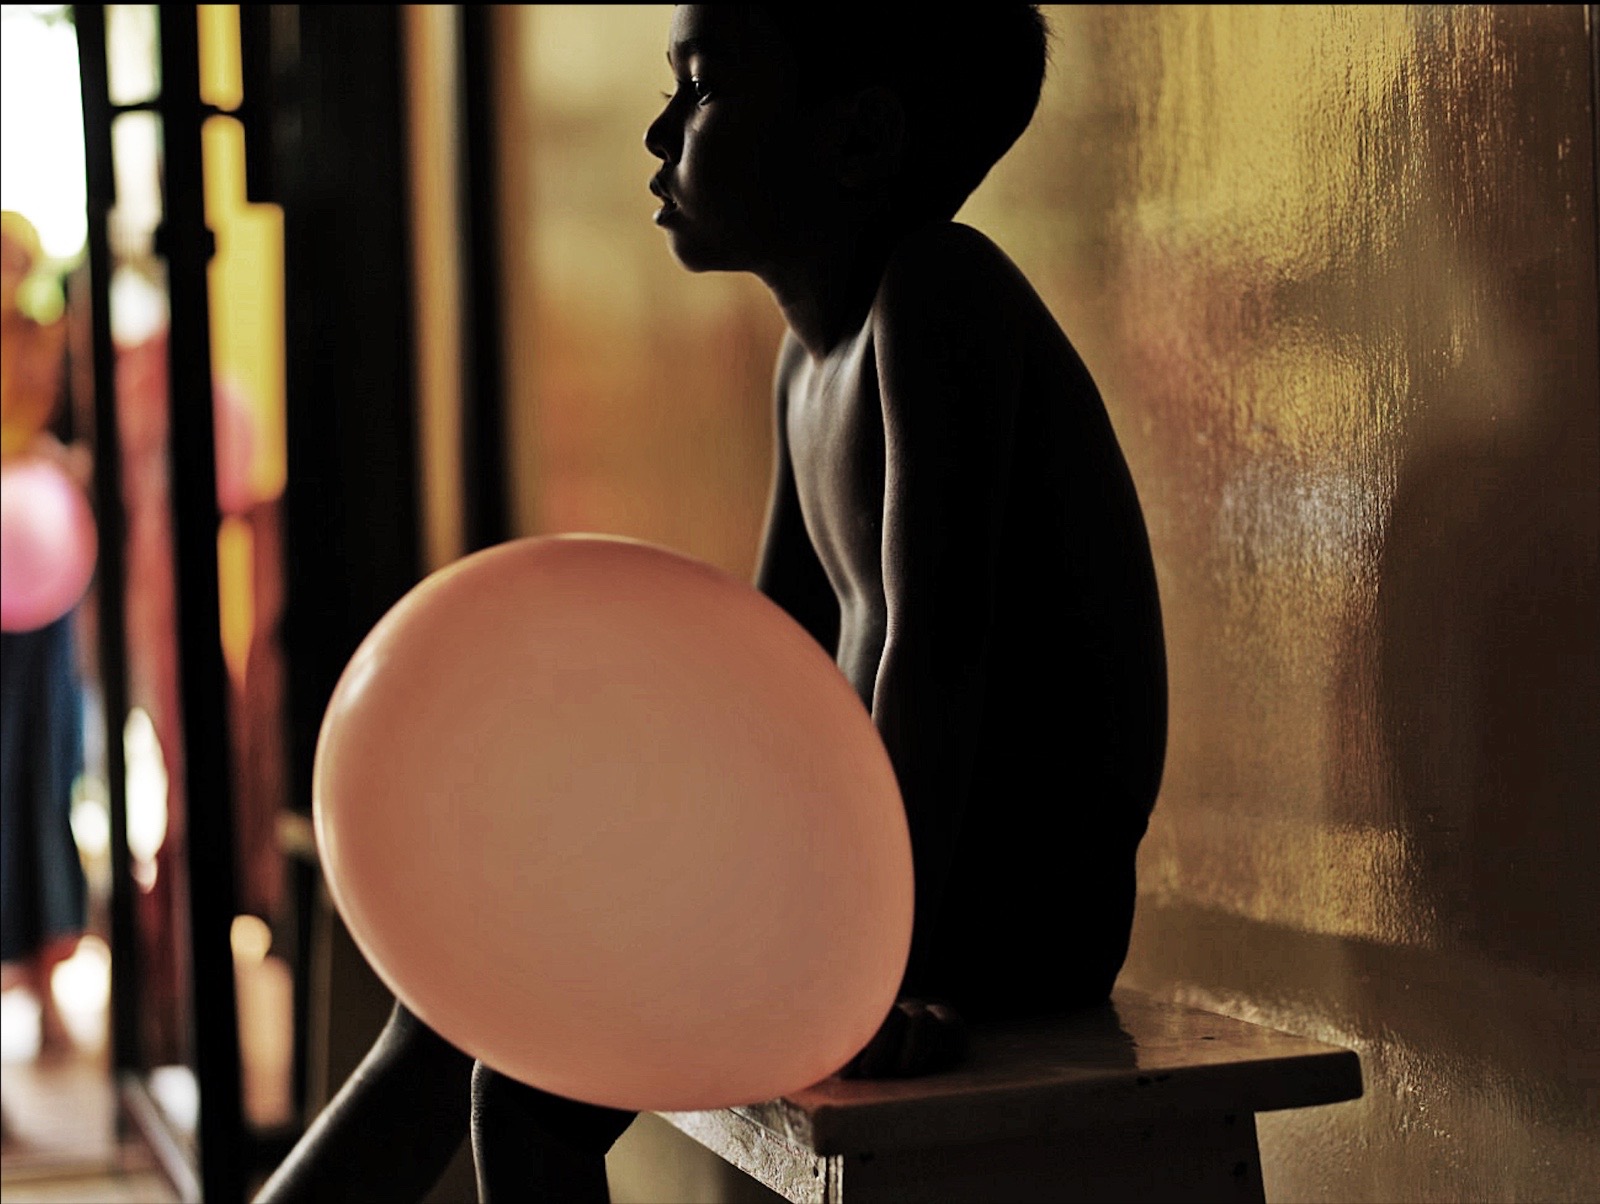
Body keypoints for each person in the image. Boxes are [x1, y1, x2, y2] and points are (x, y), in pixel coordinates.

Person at [258, 5, 1165, 1200]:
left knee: (522, 1085)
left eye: (700, 89)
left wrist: (875, 969)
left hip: (1003, 920)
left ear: (858, 138)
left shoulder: (939, 297)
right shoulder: (810, 363)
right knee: (457, 999)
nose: (659, 131)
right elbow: (764, 677)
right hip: (880, 891)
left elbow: (935, 656)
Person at [0, 210, 90, 1063]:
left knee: (46, 770)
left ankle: (45, 984)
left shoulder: (49, 336)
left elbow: (75, 431)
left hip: (41, 584)